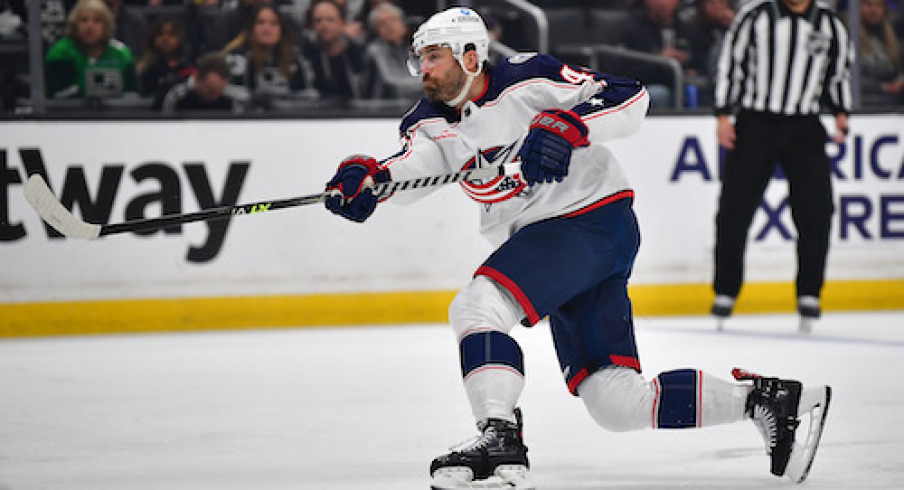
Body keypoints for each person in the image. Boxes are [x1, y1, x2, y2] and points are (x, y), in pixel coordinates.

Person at [321, 7, 832, 489]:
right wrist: (370, 179)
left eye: (433, 56)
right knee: (615, 402)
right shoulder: (426, 122)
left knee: (477, 305)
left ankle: (499, 436)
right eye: (420, 57)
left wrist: (571, 123)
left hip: (591, 219)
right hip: (560, 246)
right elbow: (412, 169)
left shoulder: (528, 78)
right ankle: (767, 401)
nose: (423, 69)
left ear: (470, 56)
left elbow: (631, 98)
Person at [711, 0, 854, 333]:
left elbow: (839, 72)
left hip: (805, 124)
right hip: (755, 123)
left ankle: (809, 293)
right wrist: (723, 114)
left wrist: (842, 114)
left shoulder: (830, 23)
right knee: (735, 207)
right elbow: (731, 63)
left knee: (817, 210)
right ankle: (726, 290)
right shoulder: (756, 15)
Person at [222, 4, 312, 109]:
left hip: (289, 119)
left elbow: (307, 95)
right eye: (261, 22)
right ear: (252, 28)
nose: (267, 27)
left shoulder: (295, 57)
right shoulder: (236, 56)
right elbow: (231, 94)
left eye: (273, 23)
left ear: (281, 29)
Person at [45, 0, 138, 99]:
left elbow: (133, 95)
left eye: (97, 20)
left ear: (106, 25)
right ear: (75, 24)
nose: (89, 26)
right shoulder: (60, 54)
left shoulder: (122, 54)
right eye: (84, 20)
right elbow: (57, 97)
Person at [623, 0, 704, 108]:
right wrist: (659, 61)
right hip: (648, 84)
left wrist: (688, 63)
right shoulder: (634, 30)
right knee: (659, 94)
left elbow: (701, 61)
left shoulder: (689, 30)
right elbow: (627, 70)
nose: (663, 3)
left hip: (682, 83)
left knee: (695, 90)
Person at [300, 0, 365, 102]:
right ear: (312, 26)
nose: (324, 25)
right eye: (318, 21)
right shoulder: (305, 54)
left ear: (342, 23)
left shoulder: (355, 52)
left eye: (330, 20)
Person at [361, 2, 421, 101]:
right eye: (382, 23)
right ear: (376, 30)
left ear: (404, 24)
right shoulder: (375, 50)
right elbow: (392, 83)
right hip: (384, 110)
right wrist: (428, 81)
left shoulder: (413, 48)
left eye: (393, 20)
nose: (389, 26)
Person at [850, 0, 904, 106]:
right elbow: (848, 78)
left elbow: (899, 69)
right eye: (868, 4)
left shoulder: (894, 37)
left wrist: (900, 81)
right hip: (862, 104)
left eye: (879, 5)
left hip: (894, 103)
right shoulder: (848, 36)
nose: (874, 10)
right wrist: (881, 86)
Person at [160, 51, 250, 112]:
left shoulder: (231, 96)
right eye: (210, 91)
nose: (215, 96)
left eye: (219, 91)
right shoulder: (175, 94)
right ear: (197, 78)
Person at [137, 16, 195, 109]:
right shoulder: (146, 68)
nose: (165, 38)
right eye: (160, 34)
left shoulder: (188, 65)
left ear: (180, 37)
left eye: (171, 34)